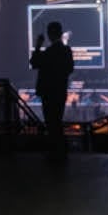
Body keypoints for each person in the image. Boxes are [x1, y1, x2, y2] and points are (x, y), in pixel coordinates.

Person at [30, 21, 74, 161]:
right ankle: (60, 152)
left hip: (48, 93)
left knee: (51, 122)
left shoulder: (49, 52)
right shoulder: (66, 50)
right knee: (57, 121)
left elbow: (34, 63)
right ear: (60, 34)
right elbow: (70, 69)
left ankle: (55, 152)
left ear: (49, 35)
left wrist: (38, 46)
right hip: (60, 91)